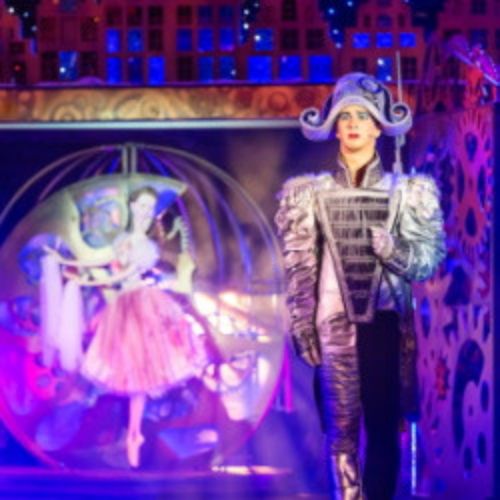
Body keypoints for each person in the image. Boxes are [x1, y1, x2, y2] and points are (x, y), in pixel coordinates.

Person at [275, 73, 446, 499]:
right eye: (346, 116)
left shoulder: (407, 191)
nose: (353, 124)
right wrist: (302, 323)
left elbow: (428, 261)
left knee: (384, 428)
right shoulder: (309, 194)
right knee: (340, 433)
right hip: (332, 325)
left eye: (363, 116)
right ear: (334, 126)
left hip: (384, 326)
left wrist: (394, 251)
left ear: (378, 127)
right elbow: (300, 266)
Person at [43, 186, 205, 468]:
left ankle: (134, 432)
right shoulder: (122, 241)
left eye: (149, 208)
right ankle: (132, 433)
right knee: (133, 372)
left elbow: (128, 272)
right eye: (140, 207)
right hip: (126, 306)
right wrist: (65, 262)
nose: (144, 213)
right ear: (130, 207)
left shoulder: (149, 244)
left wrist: (89, 279)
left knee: (142, 372)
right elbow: (102, 264)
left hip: (144, 304)